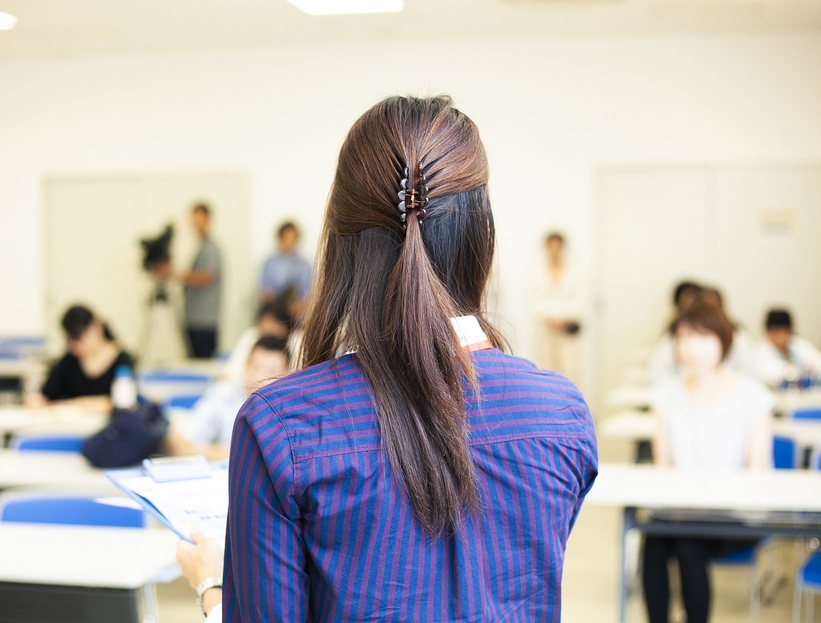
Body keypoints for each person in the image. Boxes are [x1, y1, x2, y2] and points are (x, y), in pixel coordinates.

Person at [174, 96, 597, 621]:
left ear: (341, 242)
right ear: (480, 235)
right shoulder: (562, 414)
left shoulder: (280, 426)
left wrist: (214, 586)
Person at [643, 299, 773, 623]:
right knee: (652, 539)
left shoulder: (753, 397)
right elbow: (664, 471)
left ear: (724, 341)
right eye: (684, 337)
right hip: (683, 512)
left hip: (738, 514)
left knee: (688, 543)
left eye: (702, 337)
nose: (691, 347)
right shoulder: (665, 397)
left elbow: (756, 475)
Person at [164, 336, 289, 461]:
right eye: (257, 368)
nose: (262, 379)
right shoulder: (225, 393)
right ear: (246, 365)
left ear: (287, 375)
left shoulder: (292, 407)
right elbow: (182, 444)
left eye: (273, 372)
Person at [31, 305, 134, 413]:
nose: (75, 345)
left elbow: (120, 403)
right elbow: (45, 396)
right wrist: (36, 401)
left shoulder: (122, 360)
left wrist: (70, 405)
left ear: (96, 326)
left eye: (79, 338)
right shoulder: (69, 361)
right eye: (70, 340)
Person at [533, 231, 584, 385]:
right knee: (545, 367)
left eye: (557, 247)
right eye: (551, 247)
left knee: (569, 368)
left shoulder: (574, 273)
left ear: (563, 248)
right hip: (546, 327)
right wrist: (549, 318)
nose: (554, 251)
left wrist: (564, 318)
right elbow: (534, 300)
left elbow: (579, 299)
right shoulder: (538, 274)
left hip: (566, 327)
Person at [182, 203, 222, 358]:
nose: (196, 225)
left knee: (204, 361)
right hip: (193, 318)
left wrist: (177, 274)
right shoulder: (199, 247)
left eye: (199, 220)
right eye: (193, 221)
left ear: (208, 220)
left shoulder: (211, 249)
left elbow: (207, 278)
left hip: (205, 320)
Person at [222, 301, 291, 381]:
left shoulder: (295, 342)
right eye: (265, 322)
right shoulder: (251, 336)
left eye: (274, 323)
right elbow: (231, 371)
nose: (269, 327)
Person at [754, 308, 821, 388]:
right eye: (776, 331)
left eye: (784, 330)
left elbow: (818, 362)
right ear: (767, 331)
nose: (781, 336)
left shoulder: (798, 343)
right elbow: (770, 375)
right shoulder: (759, 350)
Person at [259, 221, 312, 319]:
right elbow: (264, 292)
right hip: (275, 310)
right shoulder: (269, 263)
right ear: (280, 239)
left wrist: (297, 307)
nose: (289, 242)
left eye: (293, 238)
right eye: (286, 238)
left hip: (297, 313)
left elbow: (308, 295)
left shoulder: (304, 264)